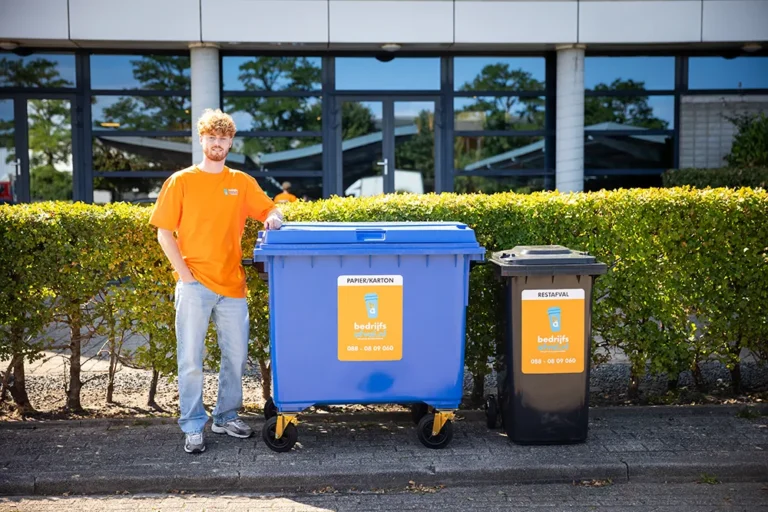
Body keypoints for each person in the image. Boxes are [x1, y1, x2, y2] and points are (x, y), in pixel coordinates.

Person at [149, 108, 284, 454]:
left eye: (224, 139)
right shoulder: (181, 181)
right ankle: (193, 426)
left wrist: (274, 216)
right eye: (212, 138)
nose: (218, 144)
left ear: (230, 143)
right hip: (194, 286)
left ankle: (225, 417)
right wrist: (185, 275)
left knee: (236, 356)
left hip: (232, 285)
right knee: (191, 359)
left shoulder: (240, 183)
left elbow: (269, 208)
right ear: (201, 140)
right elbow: (165, 234)